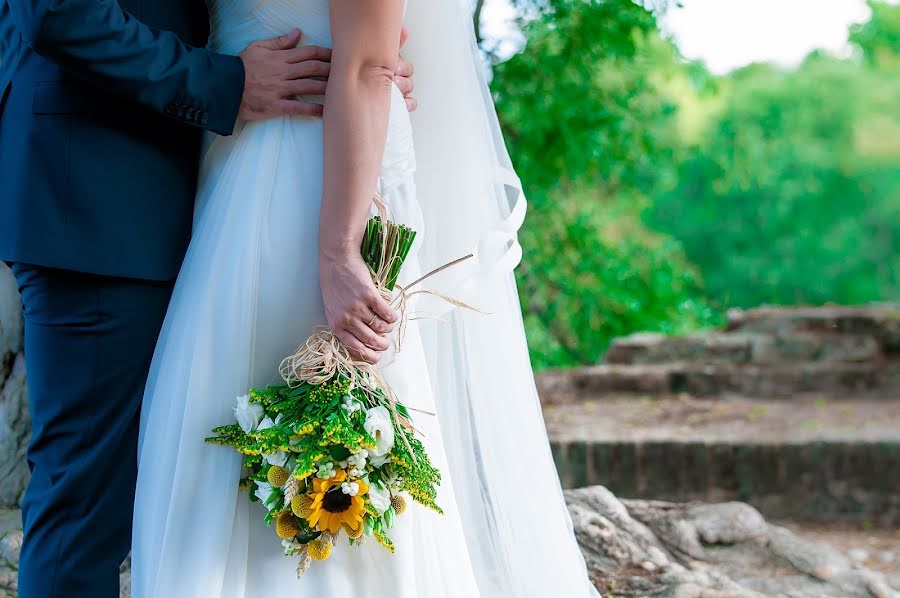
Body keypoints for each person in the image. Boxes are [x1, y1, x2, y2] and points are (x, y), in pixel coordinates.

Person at [132, 0, 599, 597]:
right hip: (237, 159)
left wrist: (338, 251)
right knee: (217, 427)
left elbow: (368, 66)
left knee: (329, 427)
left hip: (315, 175)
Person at [0, 0, 414, 595]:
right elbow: (59, 12)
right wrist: (228, 82)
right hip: (103, 193)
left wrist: (364, 66)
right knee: (85, 504)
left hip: (221, 194)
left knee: (206, 492)